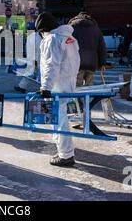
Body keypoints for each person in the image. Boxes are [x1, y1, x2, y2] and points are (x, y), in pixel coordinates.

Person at [36, 12, 81, 167]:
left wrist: (45, 87)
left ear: (44, 29)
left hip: (57, 85)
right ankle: (63, 151)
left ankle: (66, 155)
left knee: (58, 120)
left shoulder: (52, 39)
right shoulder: (69, 38)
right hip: (68, 82)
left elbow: (51, 64)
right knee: (59, 118)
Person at [68, 12, 107, 87]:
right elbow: (102, 47)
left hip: (76, 63)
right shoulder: (96, 29)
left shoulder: (71, 28)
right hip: (91, 64)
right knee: (89, 87)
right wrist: (102, 63)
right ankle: (87, 99)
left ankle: (78, 99)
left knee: (76, 87)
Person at [14, 22, 42, 94]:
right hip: (34, 58)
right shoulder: (35, 36)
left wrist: (34, 60)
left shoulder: (34, 37)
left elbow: (35, 50)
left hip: (35, 59)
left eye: (28, 29)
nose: (27, 30)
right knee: (31, 73)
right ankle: (22, 87)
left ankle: (46, 88)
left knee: (38, 73)